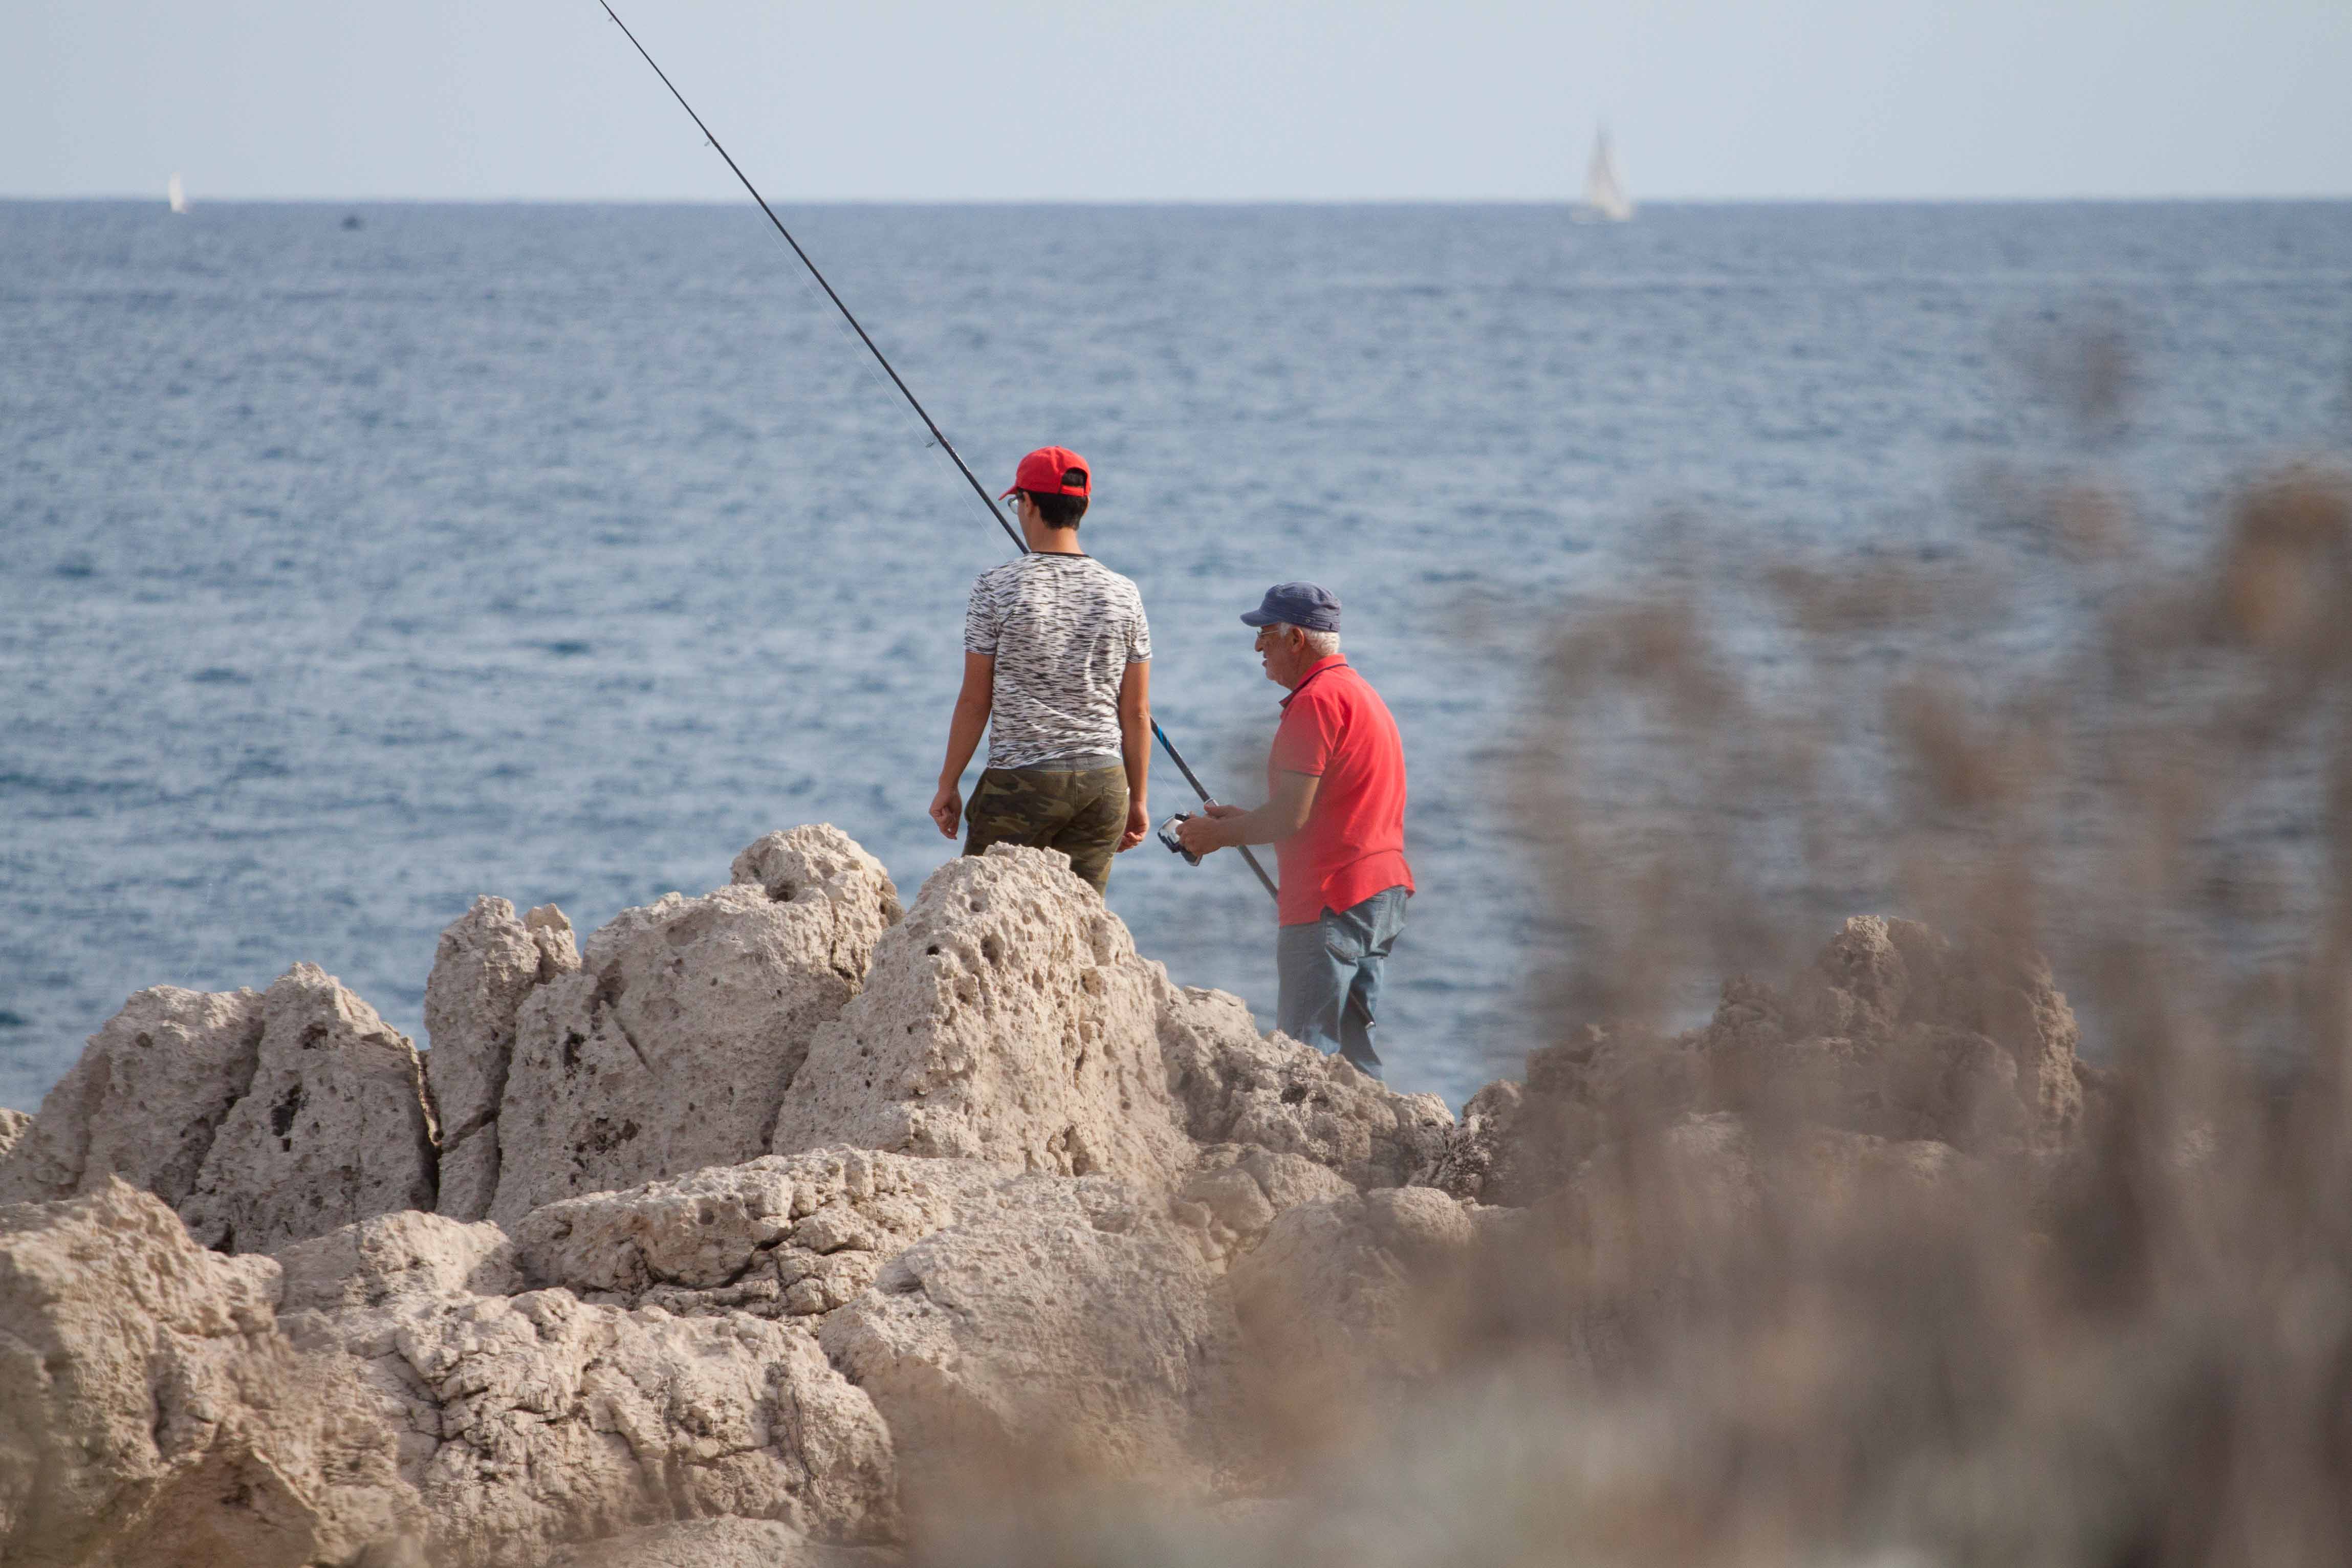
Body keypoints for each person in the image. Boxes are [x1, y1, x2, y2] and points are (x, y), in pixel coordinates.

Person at [1178, 583, 1412, 1077]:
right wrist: (1241, 821)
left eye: (1265, 634)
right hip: (1380, 894)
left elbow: (1290, 816)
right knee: (1354, 1058)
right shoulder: (1358, 693)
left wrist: (1213, 836)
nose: (1258, 647)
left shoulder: (1317, 702)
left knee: (1303, 1060)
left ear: (1296, 640)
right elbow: (1324, 806)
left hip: (1332, 900)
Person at [928, 445, 1152, 895]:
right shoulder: (1124, 594)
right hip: (1103, 784)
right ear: (1083, 506)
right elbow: (1137, 711)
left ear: (1028, 503)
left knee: (982, 913)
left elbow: (976, 700)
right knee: (1079, 930)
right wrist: (1138, 799)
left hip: (1022, 782)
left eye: (1017, 503)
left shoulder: (996, 587)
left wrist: (948, 784)